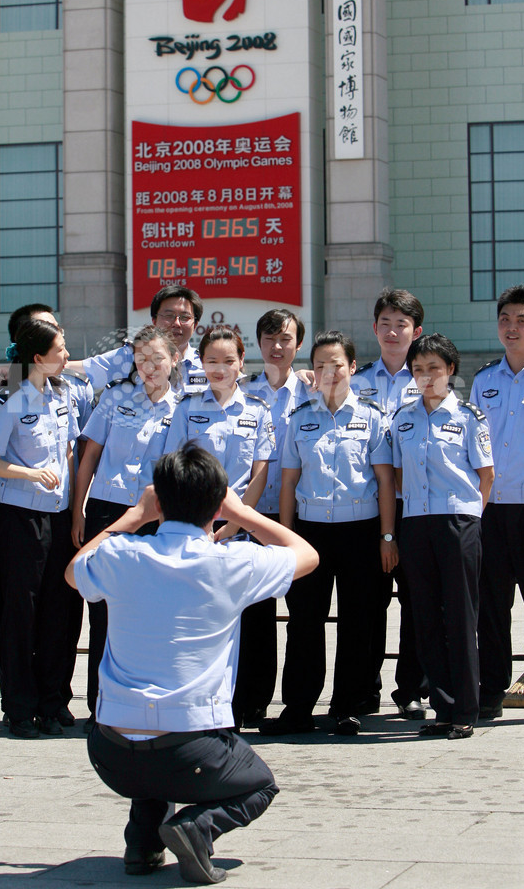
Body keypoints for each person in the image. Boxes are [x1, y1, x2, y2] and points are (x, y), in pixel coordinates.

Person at [65, 443, 318, 884]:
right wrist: (239, 514)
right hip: (189, 751)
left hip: (110, 751)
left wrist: (133, 516)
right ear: (216, 504)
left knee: (150, 746)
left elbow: (74, 571)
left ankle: (142, 844)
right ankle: (197, 826)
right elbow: (307, 555)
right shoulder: (231, 562)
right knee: (260, 783)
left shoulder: (123, 555)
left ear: (157, 501)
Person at [262, 330, 395, 736]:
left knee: (358, 621)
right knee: (304, 621)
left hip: (361, 531)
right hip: (310, 533)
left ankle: (346, 707)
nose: (329, 372)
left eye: (337, 364)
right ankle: (298, 708)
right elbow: (288, 482)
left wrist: (387, 537)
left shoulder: (372, 418)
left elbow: (386, 482)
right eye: (320, 365)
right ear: (312, 372)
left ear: (353, 368)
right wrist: (286, 538)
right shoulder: (299, 419)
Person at [71, 325, 181, 732]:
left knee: (150, 612)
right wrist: (78, 511)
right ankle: (99, 707)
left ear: (174, 361)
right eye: (141, 359)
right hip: (107, 511)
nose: (148, 367)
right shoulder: (115, 397)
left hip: (156, 517)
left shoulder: (183, 406)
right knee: (102, 611)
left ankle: (144, 705)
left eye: (157, 359)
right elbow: (89, 456)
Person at [0, 301, 94, 727]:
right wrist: (29, 473)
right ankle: (19, 707)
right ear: (37, 354)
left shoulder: (65, 393)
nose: (68, 353)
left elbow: (72, 453)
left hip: (59, 516)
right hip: (20, 517)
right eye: (60, 345)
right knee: (19, 615)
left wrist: (76, 512)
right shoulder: (13, 393)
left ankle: (53, 702)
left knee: (60, 611)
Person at [393, 334, 494, 738]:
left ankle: (466, 710)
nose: (426, 376)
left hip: (458, 523)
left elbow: (486, 476)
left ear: (450, 370)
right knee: (425, 618)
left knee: (461, 615)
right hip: (416, 523)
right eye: (418, 370)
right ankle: (442, 708)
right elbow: (398, 475)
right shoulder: (402, 419)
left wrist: (469, 516)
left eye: (434, 368)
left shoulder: (470, 417)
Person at [350, 287, 428, 719]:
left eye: (402, 324)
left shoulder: (430, 379)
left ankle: (412, 689)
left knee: (417, 601)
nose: (393, 331)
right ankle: (365, 689)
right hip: (369, 509)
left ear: (416, 331)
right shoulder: (356, 384)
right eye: (385, 323)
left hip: (415, 506)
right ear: (375, 328)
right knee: (368, 602)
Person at [233, 308, 308, 729]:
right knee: (254, 612)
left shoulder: (313, 391)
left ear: (298, 343)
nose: (278, 346)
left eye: (286, 338)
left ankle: (298, 703)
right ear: (258, 344)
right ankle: (252, 700)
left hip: (298, 513)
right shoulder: (243, 392)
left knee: (303, 612)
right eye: (269, 338)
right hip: (252, 513)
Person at [470, 285, 524, 720]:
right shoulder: (485, 381)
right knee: (491, 604)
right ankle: (491, 688)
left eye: (522, 320)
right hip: (491, 509)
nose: (513, 328)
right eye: (506, 319)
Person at [164, 326, 274, 522]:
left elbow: (259, 476)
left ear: (241, 361)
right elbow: (173, 468)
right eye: (212, 361)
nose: (220, 369)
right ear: (202, 362)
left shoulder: (258, 411)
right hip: (193, 519)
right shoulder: (186, 408)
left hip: (240, 520)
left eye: (229, 361)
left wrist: (235, 524)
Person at [71, 286, 206, 393]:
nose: (176, 323)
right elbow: (85, 369)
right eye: (169, 315)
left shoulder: (206, 364)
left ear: (195, 324)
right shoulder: (130, 356)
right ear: (154, 320)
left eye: (184, 317)